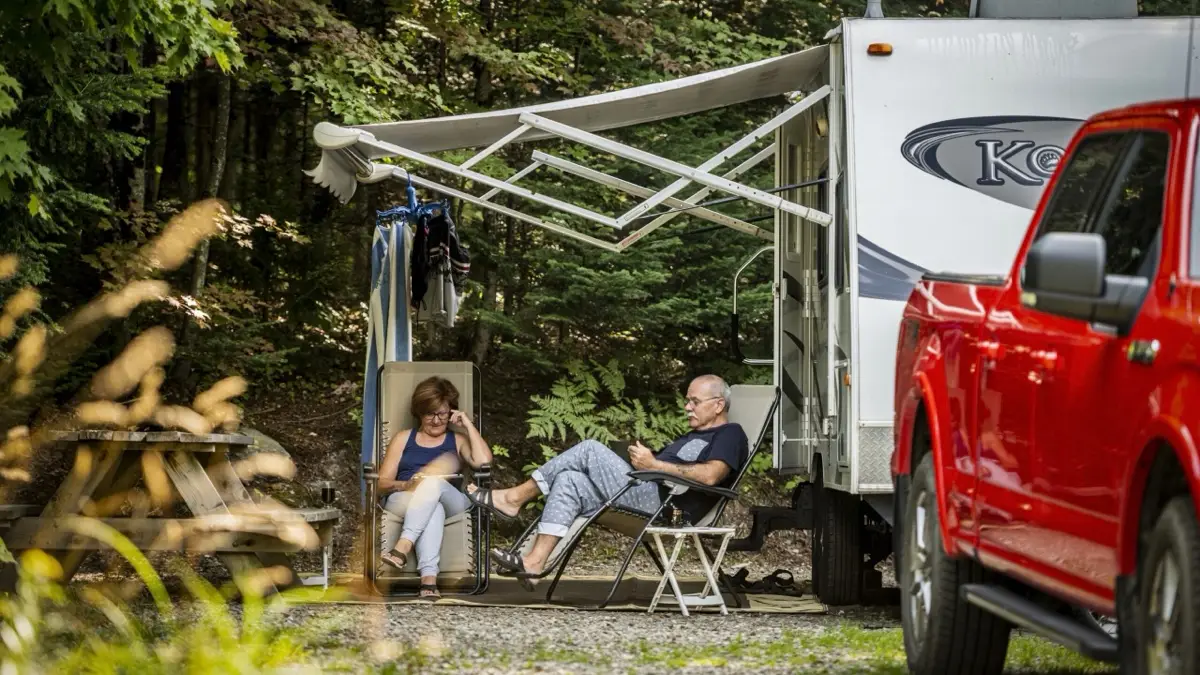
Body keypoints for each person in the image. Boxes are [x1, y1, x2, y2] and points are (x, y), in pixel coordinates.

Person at [467, 374, 747, 578]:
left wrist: (656, 465)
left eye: (694, 402)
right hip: (646, 490)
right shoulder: (691, 436)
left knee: (589, 449)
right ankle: (534, 562)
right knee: (569, 480)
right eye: (687, 401)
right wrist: (641, 460)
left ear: (718, 405)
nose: (687, 407)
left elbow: (711, 475)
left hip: (666, 506)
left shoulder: (730, 434)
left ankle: (514, 498)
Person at [377, 376, 492, 598]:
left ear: (451, 412)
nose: (437, 420)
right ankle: (428, 581)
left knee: (432, 482)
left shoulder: (457, 440)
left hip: (452, 499)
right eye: (430, 413)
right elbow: (381, 483)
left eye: (443, 413)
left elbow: (484, 462)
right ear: (419, 413)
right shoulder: (403, 439)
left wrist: (467, 424)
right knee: (433, 508)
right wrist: (407, 484)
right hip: (405, 497)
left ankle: (402, 546)